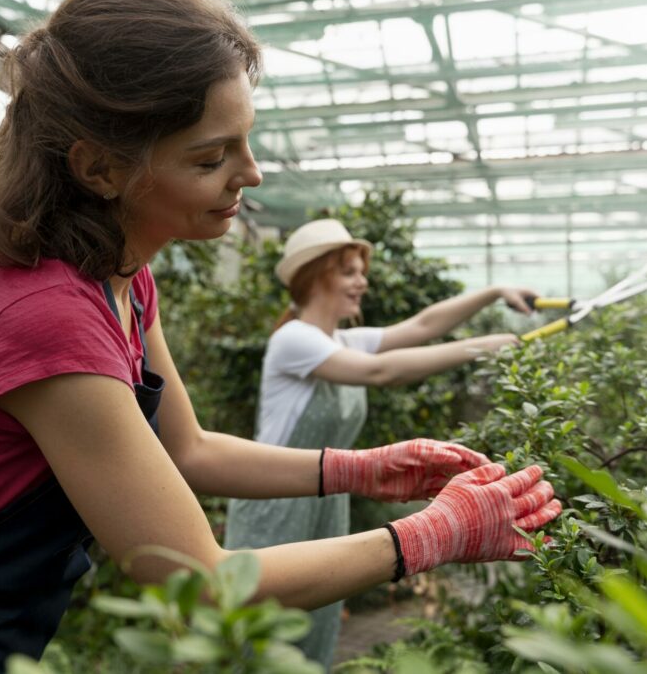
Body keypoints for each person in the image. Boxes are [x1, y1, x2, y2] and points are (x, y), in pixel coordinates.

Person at [0, 0, 561, 672]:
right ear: (100, 168)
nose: (250, 173)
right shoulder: (41, 317)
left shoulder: (119, 277)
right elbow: (202, 581)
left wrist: (363, 467)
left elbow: (187, 449)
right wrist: (432, 535)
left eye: (245, 143)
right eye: (211, 157)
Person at [225, 219, 545, 667]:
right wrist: (483, 348)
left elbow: (423, 325)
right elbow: (383, 371)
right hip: (275, 503)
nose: (363, 282)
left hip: (323, 502)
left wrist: (493, 292)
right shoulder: (294, 340)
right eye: (350, 272)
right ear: (317, 275)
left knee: (313, 627)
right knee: (259, 629)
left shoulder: (342, 340)